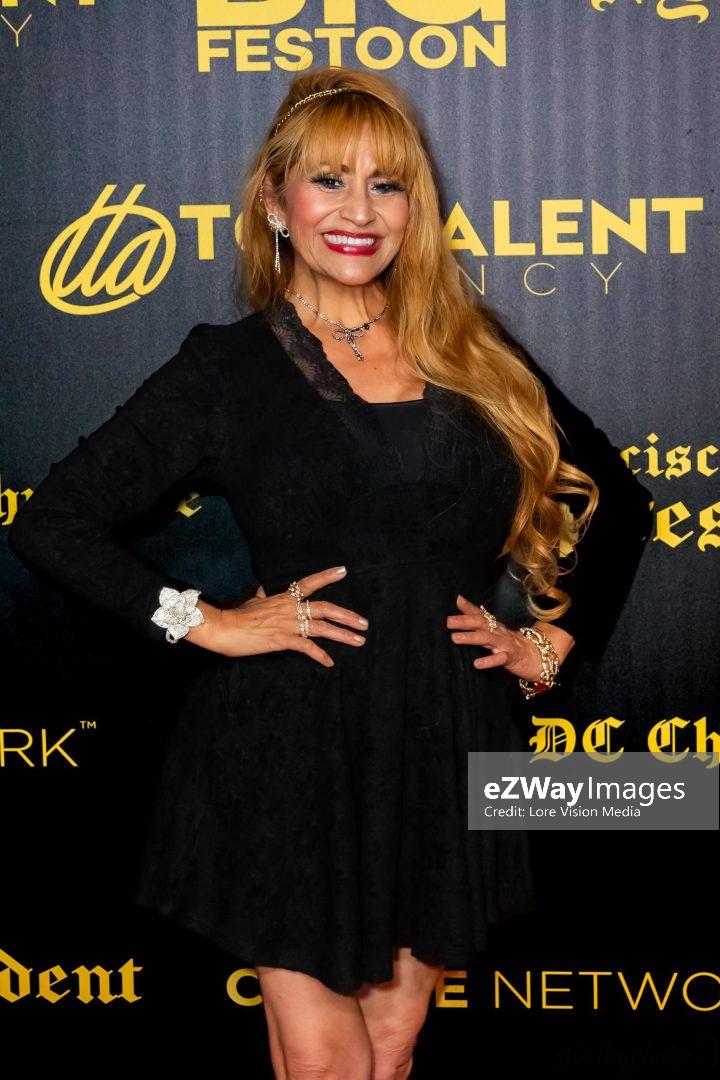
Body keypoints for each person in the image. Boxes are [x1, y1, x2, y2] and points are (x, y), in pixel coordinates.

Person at [7, 67, 653, 1080]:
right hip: (288, 740)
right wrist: (206, 621)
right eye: (329, 181)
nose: (359, 211)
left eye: (386, 185)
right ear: (276, 202)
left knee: (389, 1053)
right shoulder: (226, 368)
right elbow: (54, 520)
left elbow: (619, 499)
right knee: (328, 1067)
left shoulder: (472, 349)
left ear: (414, 209)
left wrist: (551, 641)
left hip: (443, 736)